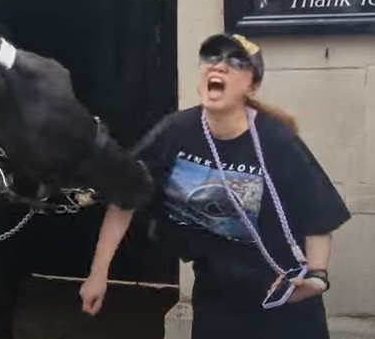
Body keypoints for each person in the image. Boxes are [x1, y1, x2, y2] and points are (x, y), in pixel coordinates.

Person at [79, 33, 351, 339]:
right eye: (212, 58)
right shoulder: (175, 132)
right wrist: (98, 274)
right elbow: (125, 195)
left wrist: (316, 278)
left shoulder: (276, 140)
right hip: (216, 300)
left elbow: (318, 216)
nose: (219, 66)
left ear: (252, 86)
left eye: (236, 62)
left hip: (283, 301)